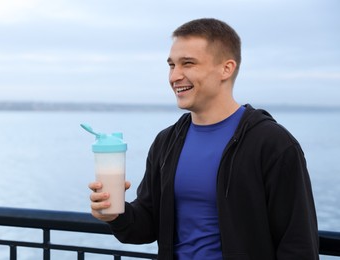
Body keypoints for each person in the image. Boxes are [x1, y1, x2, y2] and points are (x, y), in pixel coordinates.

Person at [88, 18, 319, 259]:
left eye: (188, 63)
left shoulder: (273, 143)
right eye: (171, 65)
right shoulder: (167, 142)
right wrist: (116, 214)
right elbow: (146, 225)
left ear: (226, 69)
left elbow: (298, 244)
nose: (174, 76)